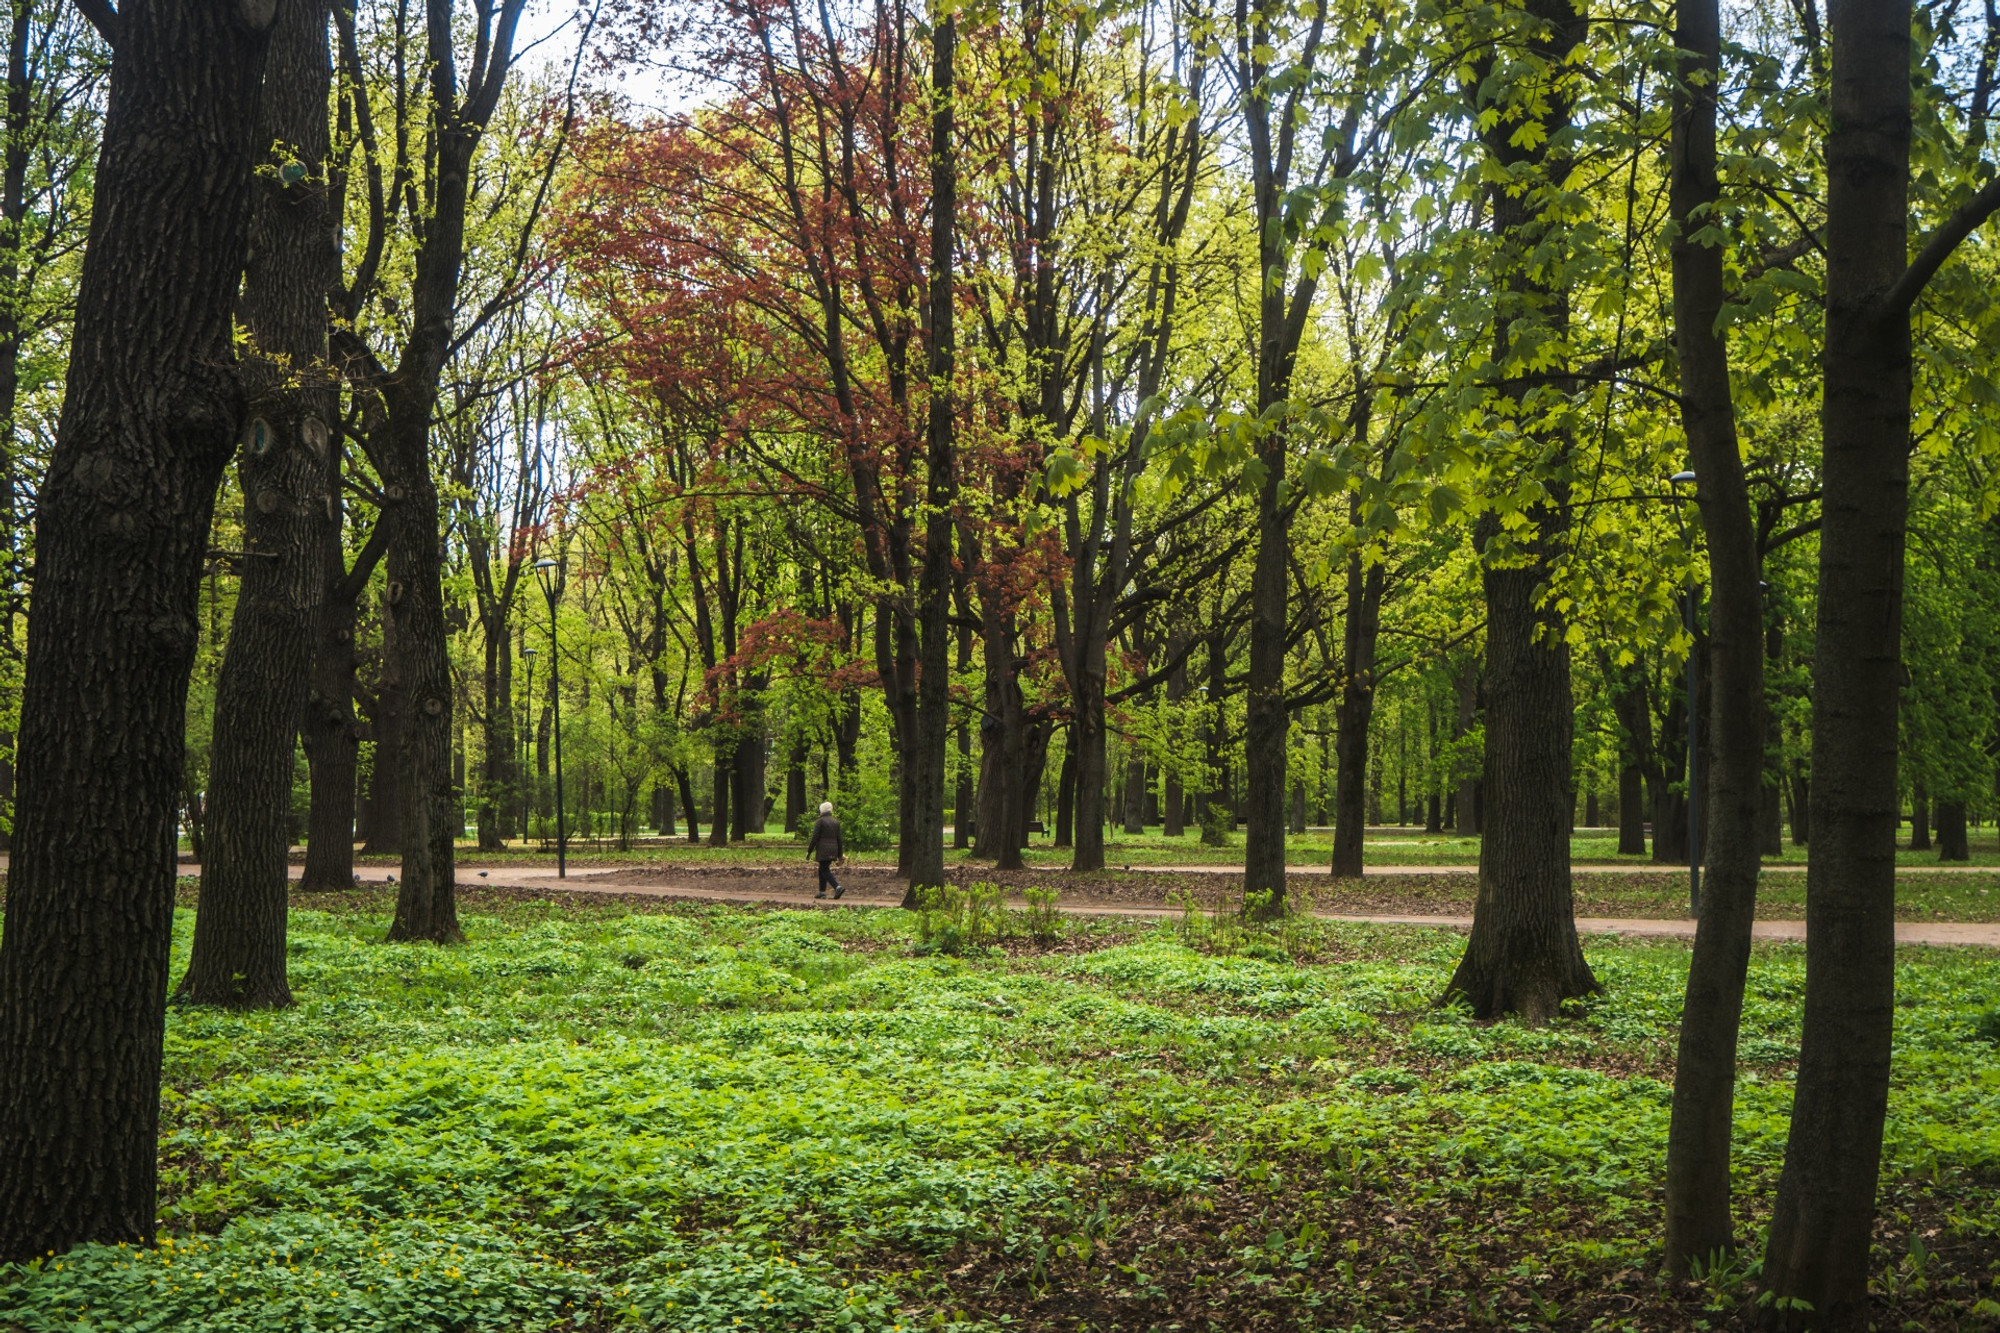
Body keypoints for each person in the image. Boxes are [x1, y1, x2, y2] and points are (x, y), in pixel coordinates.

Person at [806, 800, 844, 899]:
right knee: (822, 869)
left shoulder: (820, 821)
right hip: (834, 849)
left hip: (823, 850)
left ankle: (837, 887)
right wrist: (840, 855)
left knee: (824, 869)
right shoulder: (836, 822)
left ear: (821, 811)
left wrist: (809, 851)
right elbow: (839, 839)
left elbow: (815, 838)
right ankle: (822, 892)